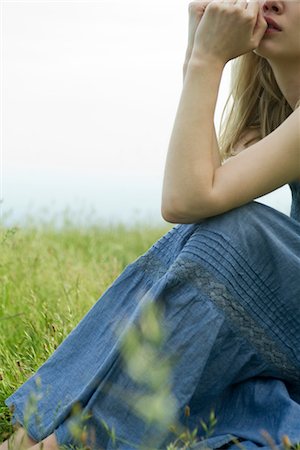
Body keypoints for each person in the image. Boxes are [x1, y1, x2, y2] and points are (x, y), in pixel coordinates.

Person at [1, 0, 300, 449]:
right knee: (213, 237)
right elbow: (199, 194)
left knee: (240, 234)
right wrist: (196, 54)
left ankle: (67, 436)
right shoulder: (278, 110)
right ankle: (52, 430)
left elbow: (185, 198)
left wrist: (206, 59)